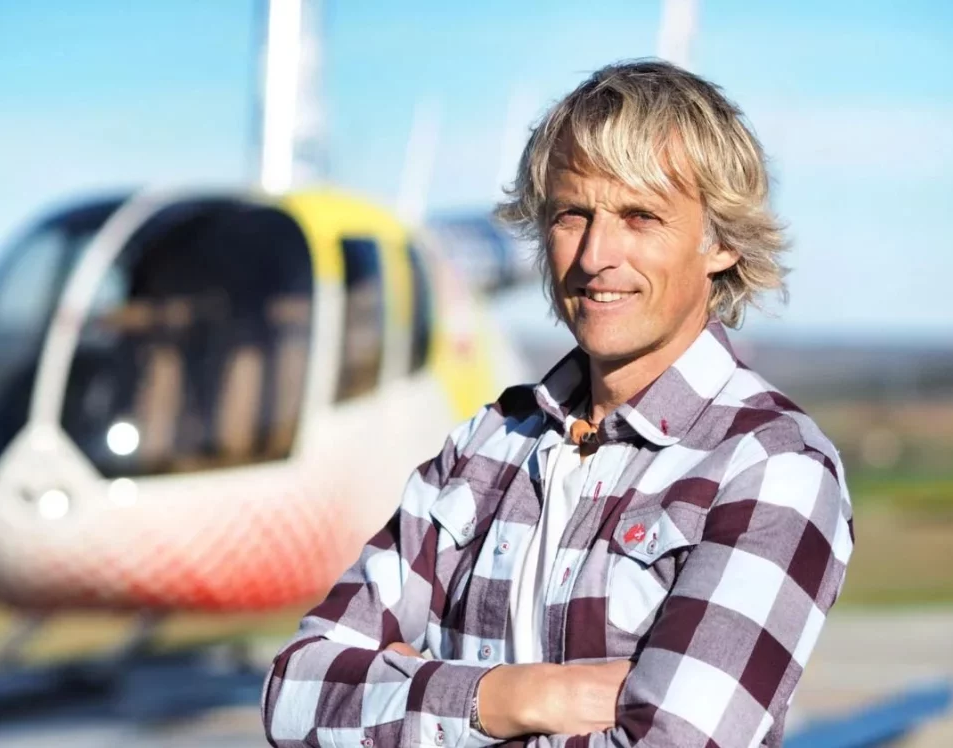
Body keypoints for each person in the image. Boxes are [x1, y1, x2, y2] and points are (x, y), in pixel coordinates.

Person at [262, 59, 854, 747]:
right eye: (574, 214)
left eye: (640, 217)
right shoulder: (486, 445)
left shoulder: (771, 467)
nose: (596, 255)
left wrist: (411, 696)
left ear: (720, 242)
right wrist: (516, 698)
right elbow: (293, 693)